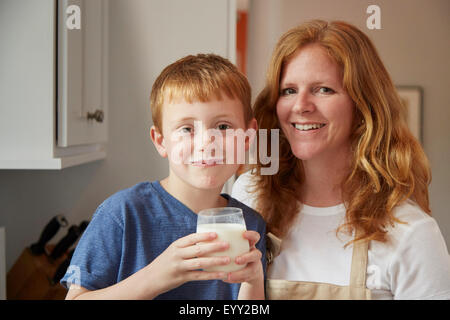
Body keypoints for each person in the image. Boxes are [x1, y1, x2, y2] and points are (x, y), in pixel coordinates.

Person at [232, 20, 450, 300]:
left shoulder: (410, 233)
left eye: (324, 89)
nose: (301, 106)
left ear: (363, 106)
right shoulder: (251, 194)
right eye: (289, 90)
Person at [61, 53, 266, 300]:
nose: (206, 142)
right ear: (161, 141)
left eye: (223, 126)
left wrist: (254, 282)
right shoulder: (122, 214)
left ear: (247, 137)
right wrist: (155, 277)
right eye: (187, 129)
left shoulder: (251, 225)